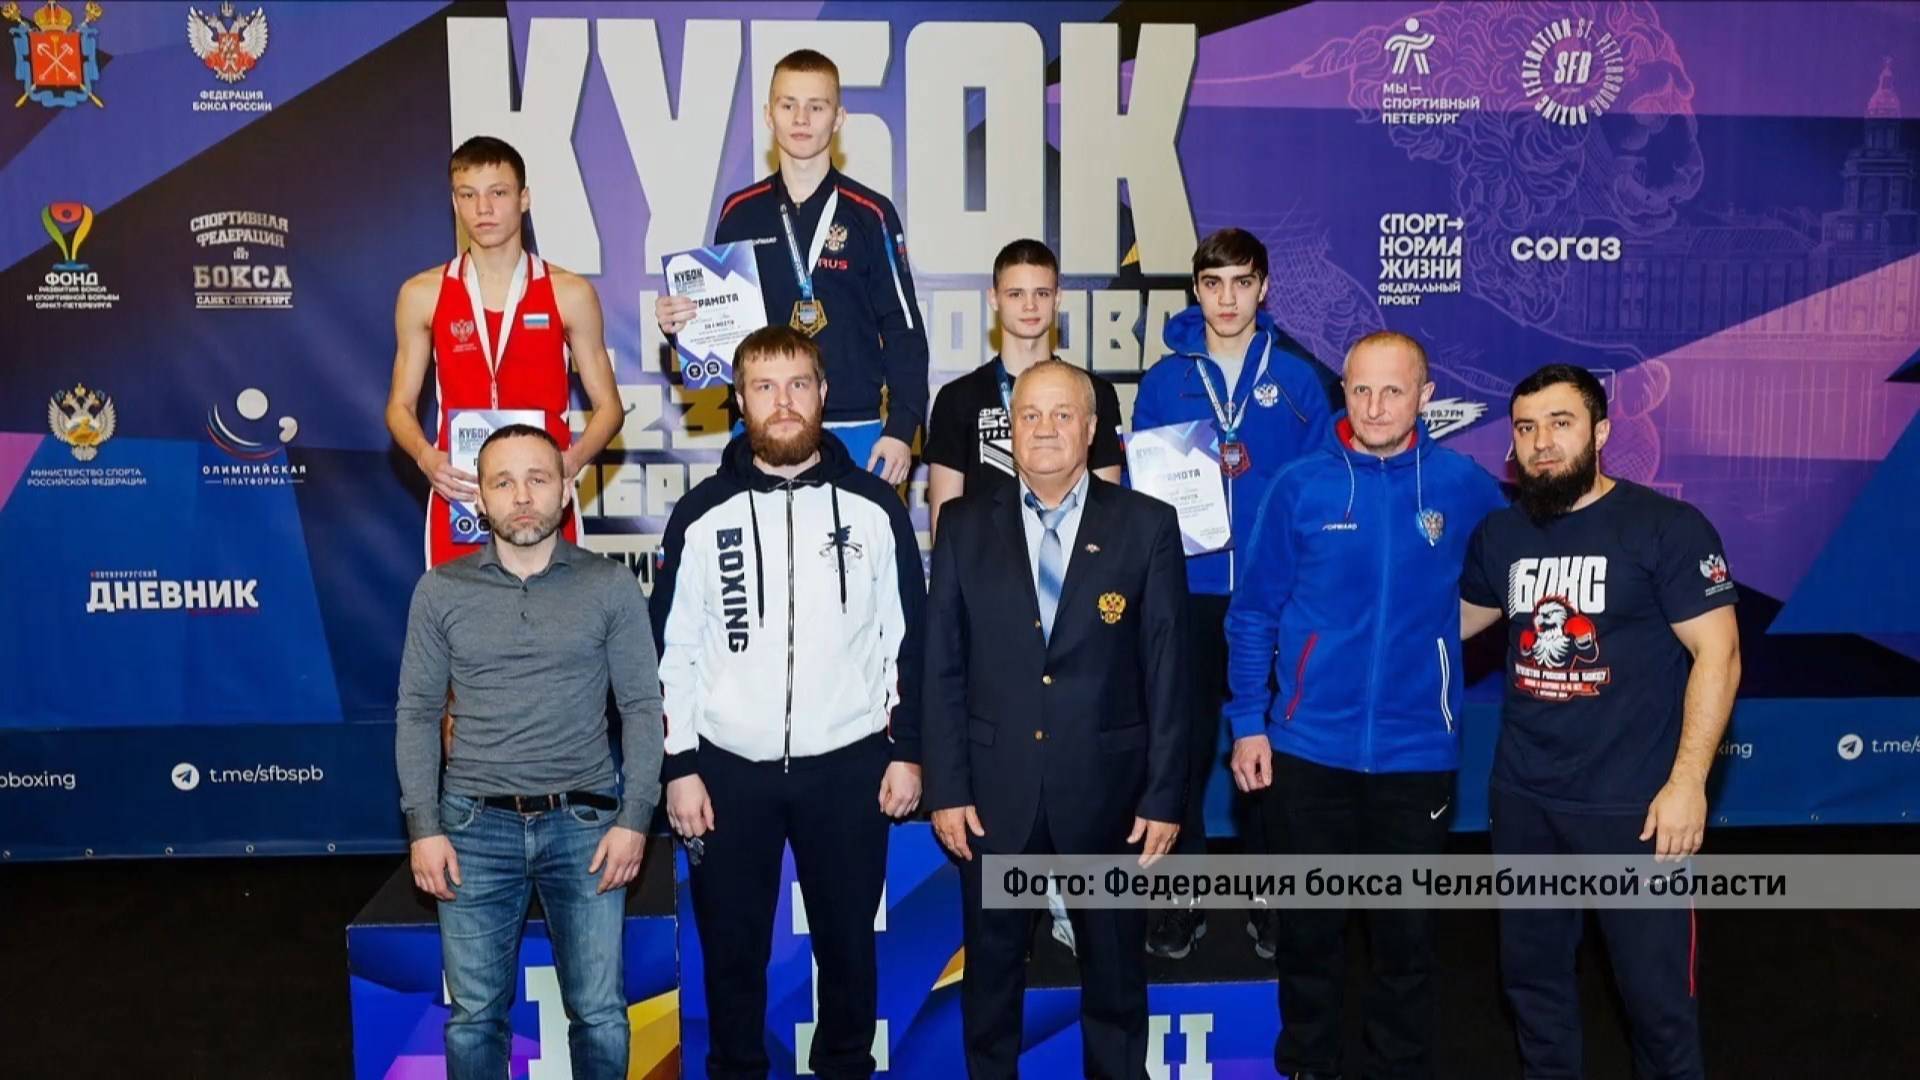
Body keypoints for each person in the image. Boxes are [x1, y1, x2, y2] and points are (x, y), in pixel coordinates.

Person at [1225, 331, 1507, 1080]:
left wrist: (1441, 635)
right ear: (1342, 392)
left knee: (1405, 939)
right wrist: (1248, 721)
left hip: (1417, 757)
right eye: (1360, 390)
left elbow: (1520, 572)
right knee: (1308, 932)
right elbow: (1253, 612)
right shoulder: (1300, 485)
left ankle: (1398, 1067)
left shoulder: (1463, 486)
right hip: (1308, 750)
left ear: (1426, 397)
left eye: (1393, 390)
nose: (1375, 406)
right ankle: (1307, 1063)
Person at [651, 325, 924, 1079]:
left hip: (850, 764)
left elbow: (909, 640)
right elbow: (672, 650)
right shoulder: (701, 513)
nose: (783, 402)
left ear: (824, 393)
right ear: (739, 400)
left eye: (798, 384)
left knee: (849, 946)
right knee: (732, 951)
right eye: (764, 387)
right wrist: (679, 765)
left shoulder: (875, 506)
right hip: (726, 770)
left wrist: (907, 751)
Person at [1460, 364, 1742, 1080]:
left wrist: (1687, 783)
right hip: (1525, 800)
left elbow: (1719, 654)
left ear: (1602, 431)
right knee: (1534, 989)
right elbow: (1444, 624)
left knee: (1656, 1003)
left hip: (1633, 809)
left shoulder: (1666, 528)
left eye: (1561, 424)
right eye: (1527, 428)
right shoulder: (1501, 535)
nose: (1542, 443)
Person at [924, 359, 1188, 1080]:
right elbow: (941, 667)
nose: (1045, 429)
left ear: (1093, 428)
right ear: (1009, 430)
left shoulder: (1147, 526)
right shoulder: (962, 526)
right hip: (993, 797)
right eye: (1030, 415)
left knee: (1115, 983)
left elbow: (1169, 674)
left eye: (1063, 414)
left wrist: (1165, 796)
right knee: (990, 984)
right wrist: (947, 788)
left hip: (1109, 802)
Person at [394, 424, 662, 1080]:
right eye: (503, 482)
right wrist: (423, 828)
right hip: (471, 828)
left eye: (538, 479)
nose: (521, 496)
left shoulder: (609, 586)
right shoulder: (440, 590)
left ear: (566, 490)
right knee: (474, 1018)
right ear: (479, 499)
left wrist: (635, 819)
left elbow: (642, 707)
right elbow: (418, 713)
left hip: (587, 825)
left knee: (600, 1014)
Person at [1131, 227, 1333, 959]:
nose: (1227, 299)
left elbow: (1320, 494)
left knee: (1272, 752)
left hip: (1273, 600)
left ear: (1263, 288)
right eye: (1213, 284)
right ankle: (1178, 896)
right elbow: (1143, 497)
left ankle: (1271, 895)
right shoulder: (1164, 381)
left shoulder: (1300, 381)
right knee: (1177, 750)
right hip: (1185, 593)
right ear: (1196, 290)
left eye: (1242, 283)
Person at [655, 49, 928, 483]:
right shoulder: (740, 212)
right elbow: (725, 327)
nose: (801, 119)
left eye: (816, 107)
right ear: (769, 115)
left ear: (838, 118)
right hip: (763, 428)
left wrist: (900, 428)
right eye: (788, 105)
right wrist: (681, 325)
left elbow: (904, 329)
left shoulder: (870, 213)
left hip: (854, 427)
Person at [387, 135, 624, 567]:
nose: (483, 209)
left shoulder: (569, 293)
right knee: (457, 610)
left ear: (524, 198)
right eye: (468, 195)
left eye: (497, 193)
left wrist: (570, 461)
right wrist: (425, 457)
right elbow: (399, 406)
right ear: (454, 203)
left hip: (544, 491)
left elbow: (609, 407)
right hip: (462, 490)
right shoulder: (422, 294)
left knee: (558, 610)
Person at [924, 238, 1125, 538]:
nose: (1030, 306)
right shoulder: (957, 399)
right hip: (987, 560)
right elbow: (945, 527)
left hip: (1071, 558)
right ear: (994, 298)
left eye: (1041, 293)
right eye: (1015, 294)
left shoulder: (1095, 393)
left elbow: (1108, 511)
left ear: (1058, 298)